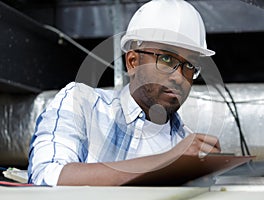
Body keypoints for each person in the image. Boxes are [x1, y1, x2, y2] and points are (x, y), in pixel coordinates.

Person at [28, 0, 221, 186]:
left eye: (189, 65)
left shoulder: (184, 145)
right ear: (132, 62)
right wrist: (166, 162)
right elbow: (45, 177)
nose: (179, 77)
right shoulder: (82, 105)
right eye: (166, 59)